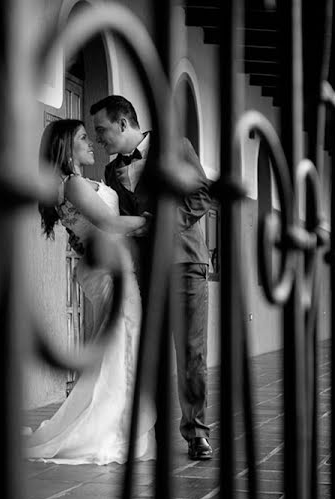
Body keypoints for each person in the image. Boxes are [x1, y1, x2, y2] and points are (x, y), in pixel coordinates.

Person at [0, 119, 155, 465]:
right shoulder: (71, 185)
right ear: (66, 147)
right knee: (124, 345)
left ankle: (118, 423)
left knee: (121, 347)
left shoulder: (77, 184)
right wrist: (155, 220)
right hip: (111, 271)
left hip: (108, 267)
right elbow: (111, 223)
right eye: (83, 138)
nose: (91, 143)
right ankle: (108, 430)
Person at [90, 95, 214, 461]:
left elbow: (201, 197)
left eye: (102, 130)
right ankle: (151, 428)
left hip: (186, 261)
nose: (99, 139)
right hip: (146, 271)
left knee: (191, 351)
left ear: (124, 124)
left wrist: (154, 224)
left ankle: (196, 433)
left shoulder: (175, 146)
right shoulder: (112, 172)